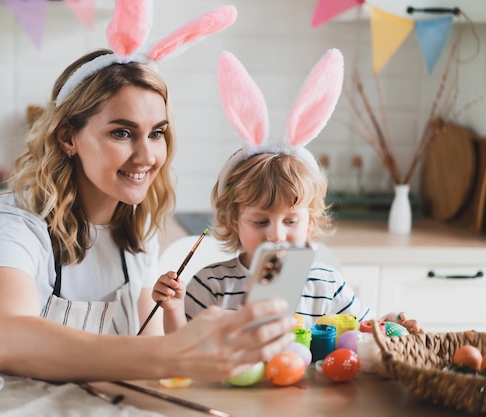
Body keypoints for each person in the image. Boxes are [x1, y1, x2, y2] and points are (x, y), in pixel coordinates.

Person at [0, 2, 298, 383]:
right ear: (68, 137)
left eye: (157, 133)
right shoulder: (12, 226)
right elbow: (8, 344)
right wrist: (176, 353)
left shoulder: (137, 232)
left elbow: (144, 355)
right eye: (121, 133)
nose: (147, 156)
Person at [153, 49, 423, 335]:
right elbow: (181, 348)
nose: (277, 235)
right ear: (234, 220)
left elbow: (368, 329)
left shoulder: (327, 285)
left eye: (291, 221)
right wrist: (173, 308)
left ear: (310, 222)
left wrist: (394, 322)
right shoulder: (211, 284)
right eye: (260, 221)